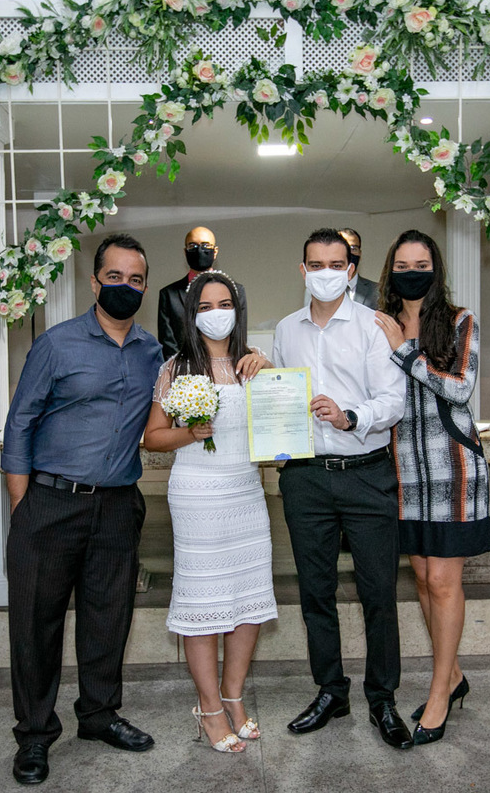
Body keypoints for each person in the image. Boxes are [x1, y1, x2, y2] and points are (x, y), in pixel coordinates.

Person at [1, 234, 163, 786]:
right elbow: (20, 422)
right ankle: (34, 734)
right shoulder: (57, 344)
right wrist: (24, 506)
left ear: (145, 286)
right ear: (94, 283)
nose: (124, 287)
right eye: (114, 277)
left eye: (135, 279)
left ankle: (98, 715)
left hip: (118, 505)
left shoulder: (152, 353)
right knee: (35, 624)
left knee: (108, 618)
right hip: (50, 502)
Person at [271, 227, 412, 750]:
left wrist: (350, 415)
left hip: (367, 473)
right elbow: (280, 397)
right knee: (315, 591)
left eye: (336, 265)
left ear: (351, 271)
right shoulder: (286, 330)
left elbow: (393, 401)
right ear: (302, 269)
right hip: (305, 477)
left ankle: (382, 697)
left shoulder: (374, 326)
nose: (326, 273)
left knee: (378, 592)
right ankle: (331, 690)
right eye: (316, 265)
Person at [143, 270, 277, 753]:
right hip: (197, 494)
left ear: (237, 311)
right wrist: (190, 432)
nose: (215, 314)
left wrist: (271, 376)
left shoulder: (254, 363)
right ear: (190, 314)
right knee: (204, 603)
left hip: (246, 492)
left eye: (224, 305)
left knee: (249, 599)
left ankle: (233, 696)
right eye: (204, 307)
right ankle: (210, 708)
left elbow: (279, 425)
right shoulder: (176, 367)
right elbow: (152, 437)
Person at [373, 229, 490, 747]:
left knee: (443, 582)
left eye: (420, 265)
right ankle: (455, 673)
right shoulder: (380, 323)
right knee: (422, 580)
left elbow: (460, 388)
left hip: (452, 467)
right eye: (402, 265)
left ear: (435, 269)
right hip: (402, 471)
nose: (411, 273)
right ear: (390, 271)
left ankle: (440, 691)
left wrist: (404, 352)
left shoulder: (460, 320)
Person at [157, 226, 248, 360]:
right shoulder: (169, 294)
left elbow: (239, 336)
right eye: (192, 245)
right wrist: (182, 369)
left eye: (205, 245)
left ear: (215, 251)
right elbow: (168, 343)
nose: (199, 250)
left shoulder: (236, 291)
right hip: (182, 367)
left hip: (227, 365)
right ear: (185, 252)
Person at [338, 227, 380, 307]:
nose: (348, 253)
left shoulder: (377, 291)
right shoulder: (321, 289)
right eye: (343, 247)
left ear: (360, 254)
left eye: (353, 249)